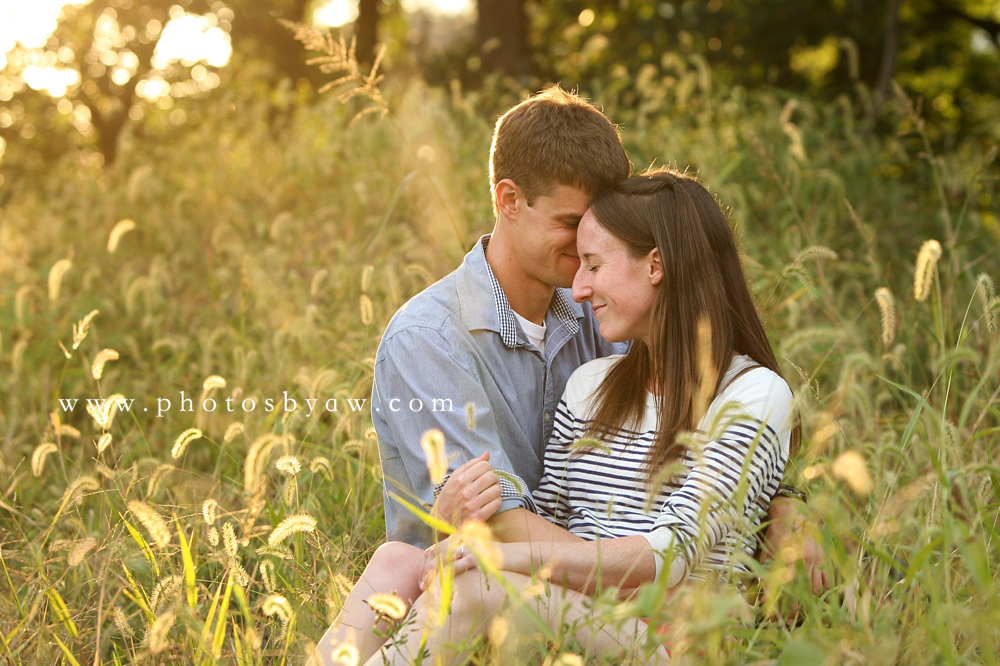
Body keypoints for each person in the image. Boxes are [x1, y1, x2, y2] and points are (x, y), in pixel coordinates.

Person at [314, 90, 824, 663]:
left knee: (483, 583)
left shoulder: (607, 315)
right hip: (530, 589)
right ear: (509, 200)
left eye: (598, 249)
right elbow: (513, 520)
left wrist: (781, 501)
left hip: (628, 614)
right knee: (393, 560)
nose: (584, 274)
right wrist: (481, 533)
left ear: (651, 262)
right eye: (573, 229)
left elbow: (713, 468)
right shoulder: (433, 340)